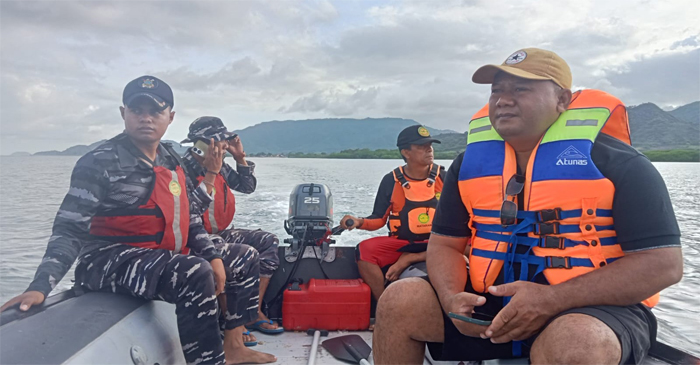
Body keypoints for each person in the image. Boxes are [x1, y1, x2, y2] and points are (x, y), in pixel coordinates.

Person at [373, 48, 684, 364]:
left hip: (594, 308)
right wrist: (452, 298)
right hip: (495, 301)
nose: (503, 100)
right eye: (497, 90)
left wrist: (551, 299)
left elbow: (663, 264)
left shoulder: (619, 163)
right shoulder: (467, 166)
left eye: (520, 89)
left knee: (576, 340)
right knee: (400, 300)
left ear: (562, 100)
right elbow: (444, 245)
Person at [0, 76, 276, 365]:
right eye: (137, 110)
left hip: (158, 251)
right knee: (194, 271)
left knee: (243, 256)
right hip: (107, 259)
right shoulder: (100, 162)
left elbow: (189, 216)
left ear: (170, 117)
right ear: (124, 114)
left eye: (155, 111)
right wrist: (41, 285)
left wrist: (214, 256)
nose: (146, 118)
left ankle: (233, 346)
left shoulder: (170, 159)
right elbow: (69, 229)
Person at [180, 116, 283, 335]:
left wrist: (240, 158)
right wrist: (210, 172)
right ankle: (232, 324)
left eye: (225, 140)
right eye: (220, 141)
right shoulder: (181, 170)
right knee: (239, 254)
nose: (225, 145)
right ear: (200, 144)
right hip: (196, 236)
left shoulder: (220, 164)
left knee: (268, 242)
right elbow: (189, 215)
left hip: (220, 232)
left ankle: (254, 311)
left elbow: (247, 187)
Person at [341, 125, 445, 301]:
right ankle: (383, 305)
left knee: (471, 242)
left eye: (430, 145)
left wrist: (409, 259)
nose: (429, 149)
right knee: (364, 251)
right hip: (402, 242)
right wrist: (358, 222)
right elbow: (379, 219)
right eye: (421, 146)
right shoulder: (391, 181)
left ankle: (411, 259)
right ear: (406, 152)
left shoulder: (444, 177)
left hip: (437, 243)